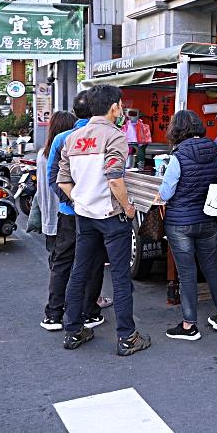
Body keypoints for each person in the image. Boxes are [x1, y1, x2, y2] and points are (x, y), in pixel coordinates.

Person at [57, 84, 151, 356]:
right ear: (114, 107)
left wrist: (80, 198)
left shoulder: (73, 138)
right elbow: (115, 180)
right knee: (121, 277)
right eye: (120, 106)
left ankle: (73, 331)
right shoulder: (115, 136)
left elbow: (62, 180)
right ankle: (126, 337)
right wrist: (129, 208)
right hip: (112, 217)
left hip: (84, 216)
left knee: (79, 272)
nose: (121, 110)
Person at [155, 110, 217, 341]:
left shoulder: (178, 155)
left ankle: (189, 325)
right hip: (207, 218)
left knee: (187, 273)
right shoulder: (214, 148)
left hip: (180, 223)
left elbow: (166, 192)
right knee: (211, 268)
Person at [43, 91, 108, 332]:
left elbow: (53, 178)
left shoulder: (61, 138)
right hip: (97, 213)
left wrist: (71, 201)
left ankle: (53, 314)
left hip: (69, 213)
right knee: (93, 262)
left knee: (63, 261)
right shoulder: (107, 136)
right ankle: (89, 312)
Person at [38, 111, 76, 254]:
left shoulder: (42, 154)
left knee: (56, 257)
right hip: (66, 212)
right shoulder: (67, 155)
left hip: (49, 213)